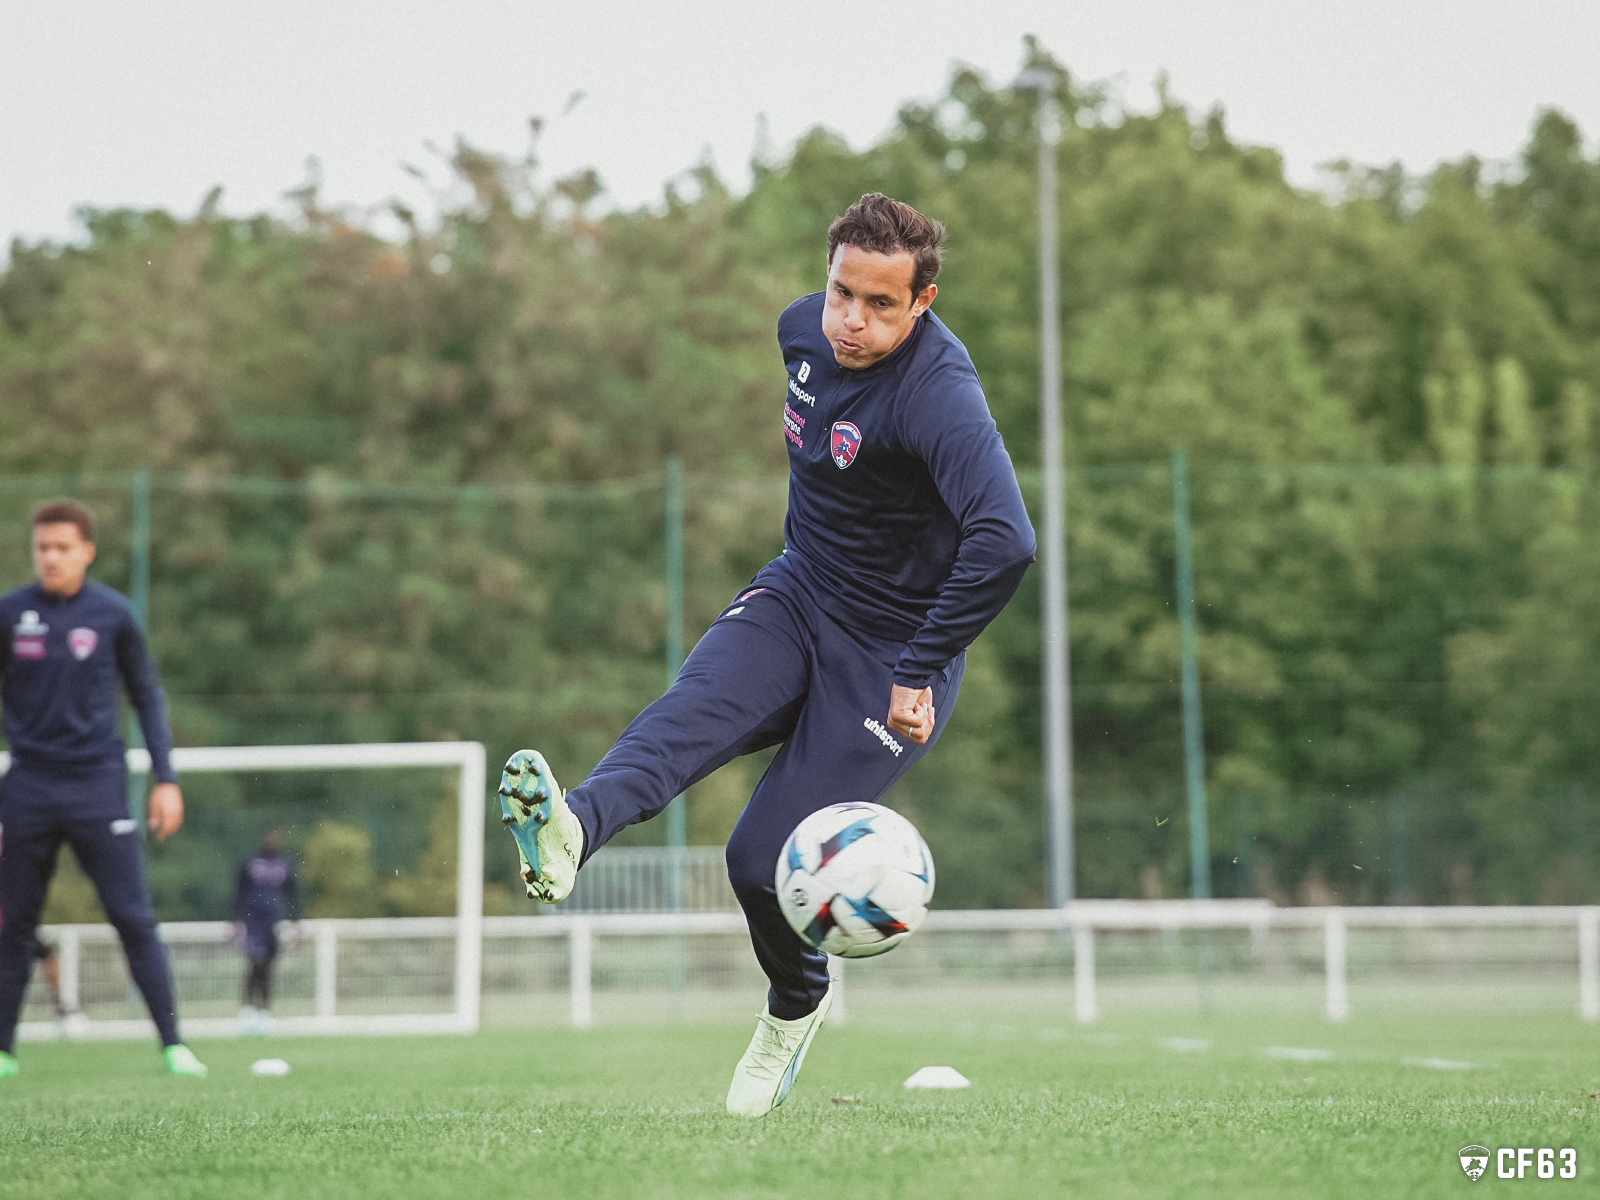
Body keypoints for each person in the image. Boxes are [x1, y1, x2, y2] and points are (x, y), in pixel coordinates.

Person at [499, 194, 1035, 1117]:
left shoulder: (940, 397)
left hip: (889, 656)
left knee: (758, 861)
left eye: (879, 304)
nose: (851, 322)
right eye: (840, 295)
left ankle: (797, 1005)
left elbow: (1007, 538)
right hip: (797, 594)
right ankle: (572, 831)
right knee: (683, 720)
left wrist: (921, 666)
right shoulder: (799, 332)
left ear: (924, 303)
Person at [0, 500, 206, 1078]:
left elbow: (147, 696)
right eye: (43, 547)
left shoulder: (114, 615)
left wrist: (166, 779)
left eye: (63, 547)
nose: (52, 558)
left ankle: (174, 1045)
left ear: (87, 551)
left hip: (98, 786)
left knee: (133, 917)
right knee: (13, 924)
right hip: (28, 787)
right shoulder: (10, 613)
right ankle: (2, 1051)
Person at [231, 828, 300, 1034]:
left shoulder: (285, 863)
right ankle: (247, 1011)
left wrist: (295, 923)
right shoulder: (249, 862)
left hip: (273, 922)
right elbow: (238, 891)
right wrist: (235, 920)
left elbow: (294, 894)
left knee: (268, 968)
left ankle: (264, 1013)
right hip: (253, 922)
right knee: (254, 963)